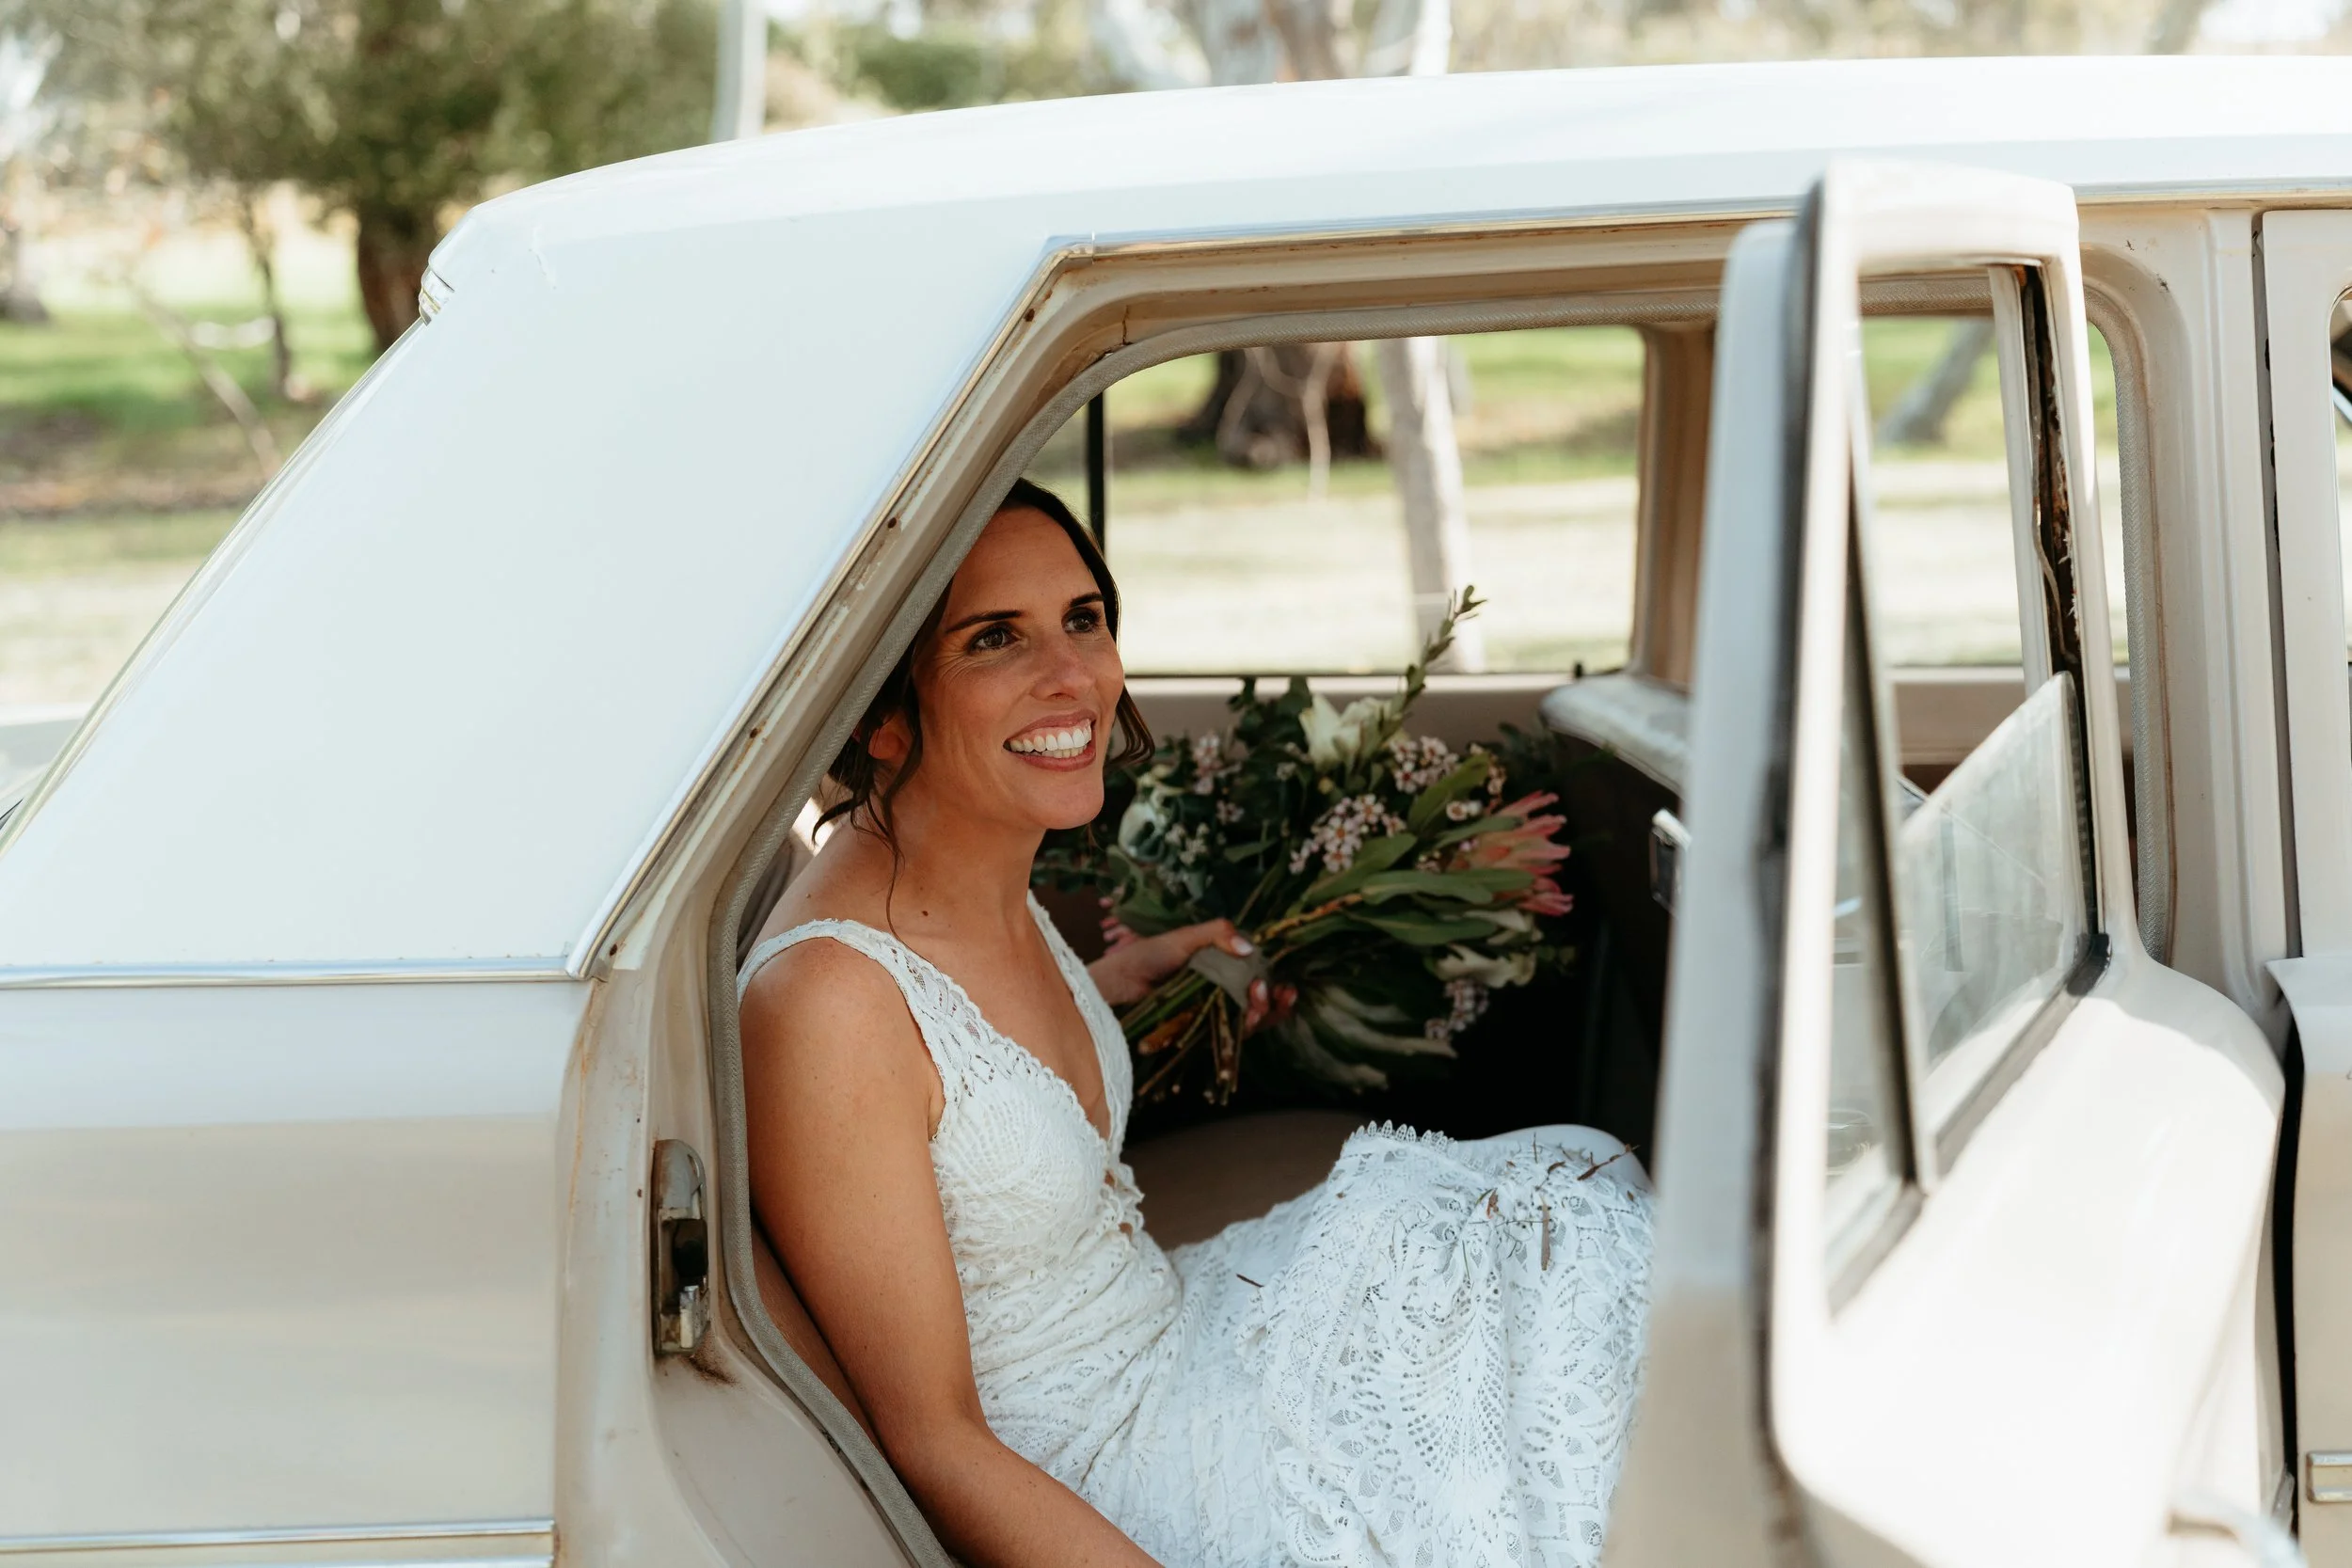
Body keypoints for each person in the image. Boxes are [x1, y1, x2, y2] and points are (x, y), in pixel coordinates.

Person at [739, 479, 1653, 1568]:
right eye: (995, 639)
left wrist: (1116, 979)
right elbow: (931, 1438)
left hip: (1181, 1327)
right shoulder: (825, 1003)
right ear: (877, 712)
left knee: (1572, 1206)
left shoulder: (968, 866)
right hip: (1122, 1463)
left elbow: (961, 1082)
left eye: (1083, 618)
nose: (1073, 674)